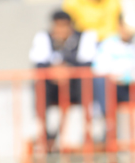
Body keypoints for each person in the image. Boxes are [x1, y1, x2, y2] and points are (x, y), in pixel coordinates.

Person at [29, 10, 97, 141]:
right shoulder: (44, 37)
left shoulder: (84, 37)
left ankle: (89, 128)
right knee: (40, 83)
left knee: (86, 82)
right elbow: (39, 64)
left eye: (64, 26)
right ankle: (42, 129)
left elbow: (88, 63)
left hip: (75, 87)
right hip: (53, 87)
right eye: (58, 26)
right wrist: (55, 72)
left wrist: (69, 70)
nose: (61, 30)